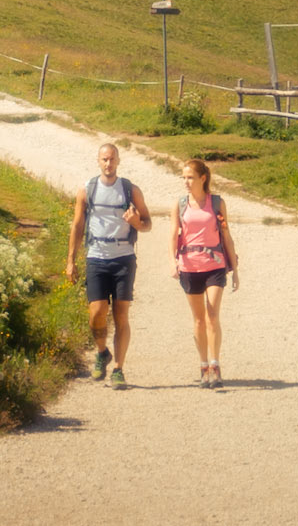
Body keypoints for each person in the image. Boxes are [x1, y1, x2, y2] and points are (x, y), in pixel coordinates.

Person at [66, 141, 151, 389]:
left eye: (112, 159)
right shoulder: (87, 190)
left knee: (121, 314)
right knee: (96, 313)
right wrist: (70, 260)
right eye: (104, 159)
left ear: (119, 161)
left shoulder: (130, 190)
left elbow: (148, 223)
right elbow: (77, 226)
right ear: (98, 161)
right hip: (96, 257)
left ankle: (118, 369)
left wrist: (136, 222)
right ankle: (102, 352)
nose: (108, 163)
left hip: (124, 258)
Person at [171, 156, 239, 387]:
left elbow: (226, 235)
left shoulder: (217, 203)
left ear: (203, 178)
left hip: (215, 265)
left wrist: (235, 269)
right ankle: (203, 365)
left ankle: (215, 364)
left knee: (212, 314)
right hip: (189, 265)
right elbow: (174, 234)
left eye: (190, 177)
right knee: (199, 319)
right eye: (184, 178)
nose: (186, 182)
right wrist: (173, 261)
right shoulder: (180, 204)